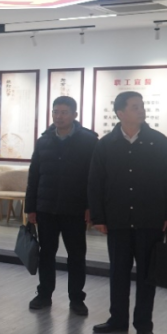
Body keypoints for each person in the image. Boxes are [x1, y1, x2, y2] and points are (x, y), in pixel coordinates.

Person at [88, 91, 167, 334]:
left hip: (150, 219)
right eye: (135, 107)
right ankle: (117, 320)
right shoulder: (106, 144)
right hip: (117, 220)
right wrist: (98, 217)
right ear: (120, 113)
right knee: (118, 273)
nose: (141, 110)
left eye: (142, 106)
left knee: (146, 276)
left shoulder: (158, 142)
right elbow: (95, 183)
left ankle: (143, 324)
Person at [24, 96, 98, 315]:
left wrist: (91, 206)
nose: (59, 116)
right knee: (46, 254)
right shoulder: (44, 140)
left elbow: (94, 178)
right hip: (46, 209)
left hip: (75, 209)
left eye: (64, 112)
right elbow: (34, 176)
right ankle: (44, 295)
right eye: (55, 112)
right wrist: (30, 208)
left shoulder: (89, 141)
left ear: (75, 115)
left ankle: (76, 299)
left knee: (76, 255)